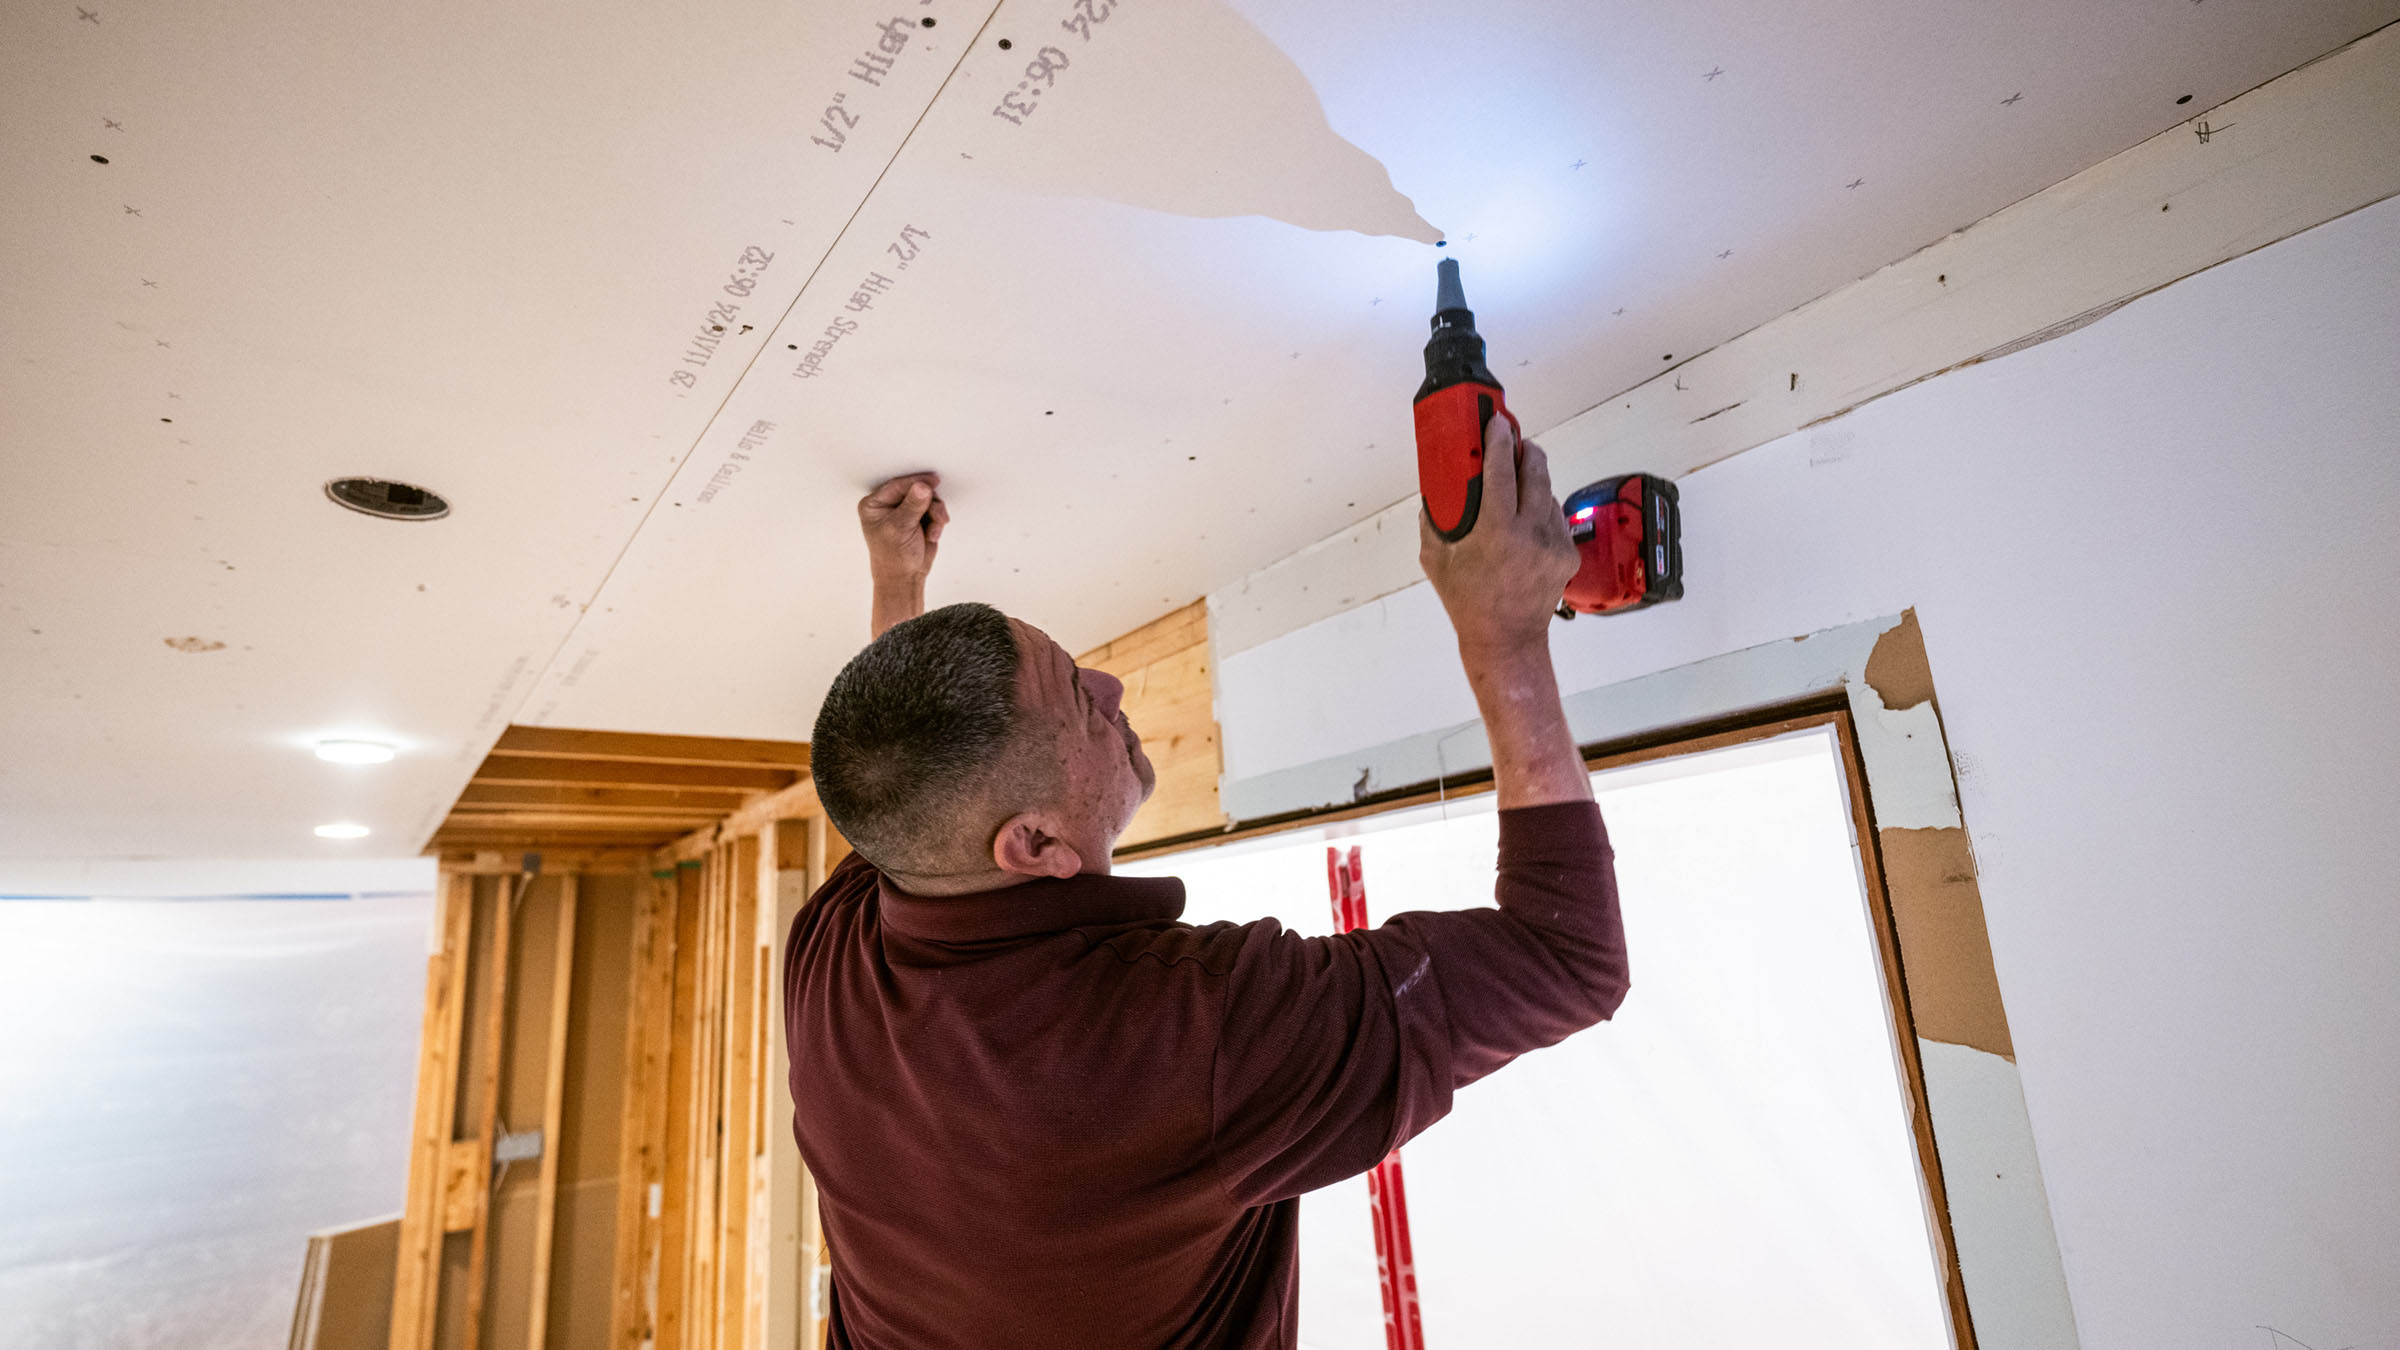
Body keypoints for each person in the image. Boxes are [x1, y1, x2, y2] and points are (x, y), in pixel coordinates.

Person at [782, 416, 1629, 1349]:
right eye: (1077, 697)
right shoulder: (1186, 1041)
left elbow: (906, 789)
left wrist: (898, 587)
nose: (1108, 685)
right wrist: (1506, 640)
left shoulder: (837, 948)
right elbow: (1567, 956)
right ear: (1032, 843)